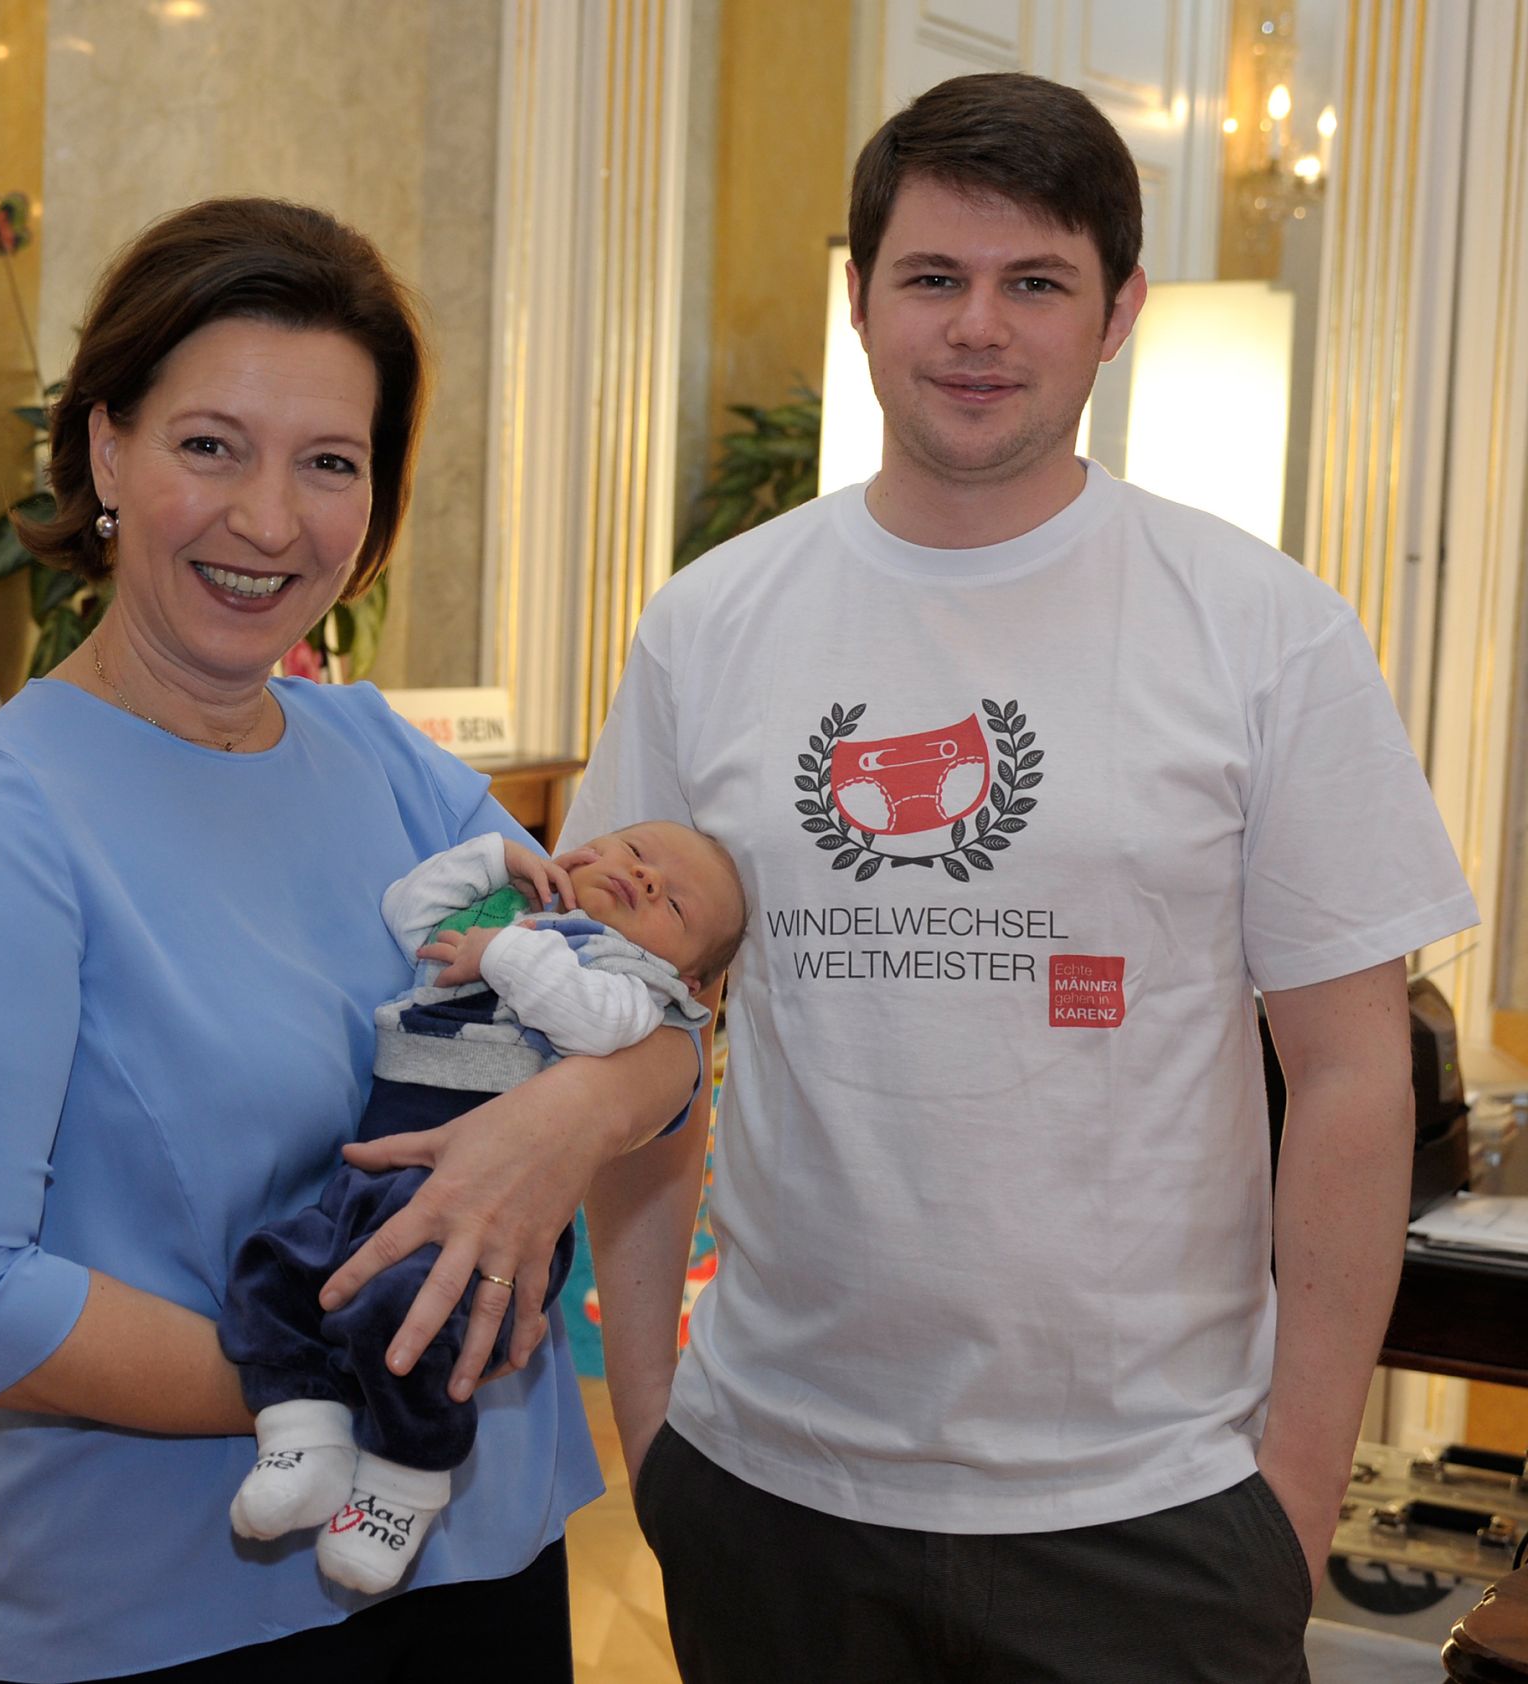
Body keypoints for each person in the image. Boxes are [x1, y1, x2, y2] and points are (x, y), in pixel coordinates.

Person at [569, 72, 1480, 1683]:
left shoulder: (1265, 630)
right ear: (860, 300)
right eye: (932, 278)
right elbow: (629, 1039)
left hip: (1156, 1516)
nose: (977, 327)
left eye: (1034, 282)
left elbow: (1348, 1078)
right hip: (775, 1491)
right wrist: (654, 1422)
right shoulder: (708, 626)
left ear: (1116, 311)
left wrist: (1295, 1486)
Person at [0, 197, 699, 1684]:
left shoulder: (384, 757)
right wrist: (349, 1377)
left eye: (329, 463)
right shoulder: (1, 816)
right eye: (209, 446)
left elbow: (652, 1017)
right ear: (107, 449)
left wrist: (569, 1118)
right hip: (161, 1614)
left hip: (486, 1557)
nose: (267, 519)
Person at [219, 822, 744, 1594]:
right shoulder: (514, 905)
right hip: (381, 1167)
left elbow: (589, 1020)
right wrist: (494, 859)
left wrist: (501, 950)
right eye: (635, 851)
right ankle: (303, 1431)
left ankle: (407, 1477)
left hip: (495, 1210)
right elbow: (409, 913)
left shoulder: (634, 985)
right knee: (276, 1269)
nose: (646, 877)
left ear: (690, 976)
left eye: (676, 904)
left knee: (411, 1315)